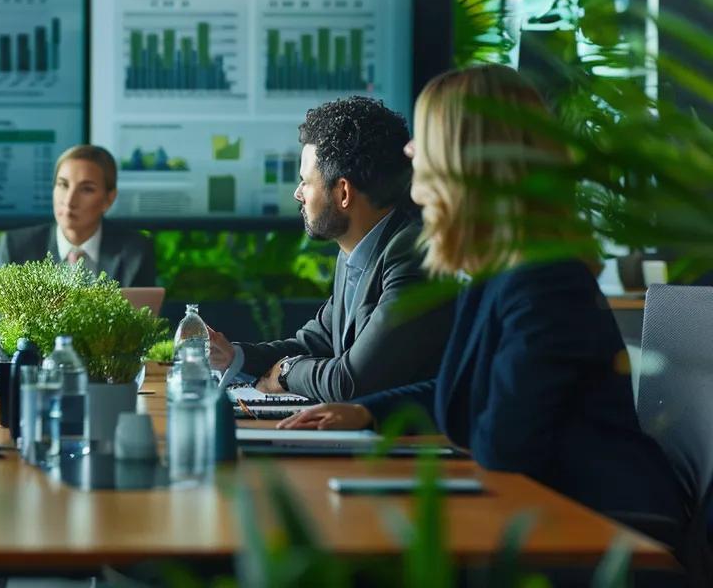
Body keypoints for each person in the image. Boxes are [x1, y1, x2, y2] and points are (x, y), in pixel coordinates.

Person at [280, 65, 691, 541]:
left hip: (604, 534)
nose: (410, 151)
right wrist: (370, 412)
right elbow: (475, 394)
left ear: (468, 161)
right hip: (543, 511)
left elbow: (501, 447)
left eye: (425, 139)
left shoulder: (542, 283)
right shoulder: (500, 271)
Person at [208, 96, 454, 402]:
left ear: (343, 193)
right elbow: (316, 343)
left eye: (305, 182)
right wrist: (235, 356)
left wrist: (286, 373)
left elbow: (351, 381)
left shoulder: (411, 254)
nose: (298, 194)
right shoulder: (357, 250)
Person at [0, 144, 155, 287]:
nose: (69, 200)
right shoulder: (17, 247)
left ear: (109, 199)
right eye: (63, 185)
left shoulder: (135, 250)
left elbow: (143, 317)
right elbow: (3, 318)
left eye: (86, 189)